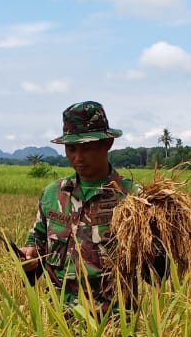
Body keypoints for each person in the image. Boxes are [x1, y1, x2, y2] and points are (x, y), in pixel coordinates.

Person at [19, 101, 161, 313]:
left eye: (86, 148)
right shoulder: (53, 194)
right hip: (58, 323)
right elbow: (37, 247)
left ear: (107, 144)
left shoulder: (134, 198)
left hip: (113, 325)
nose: (78, 157)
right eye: (71, 149)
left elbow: (157, 274)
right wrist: (28, 257)